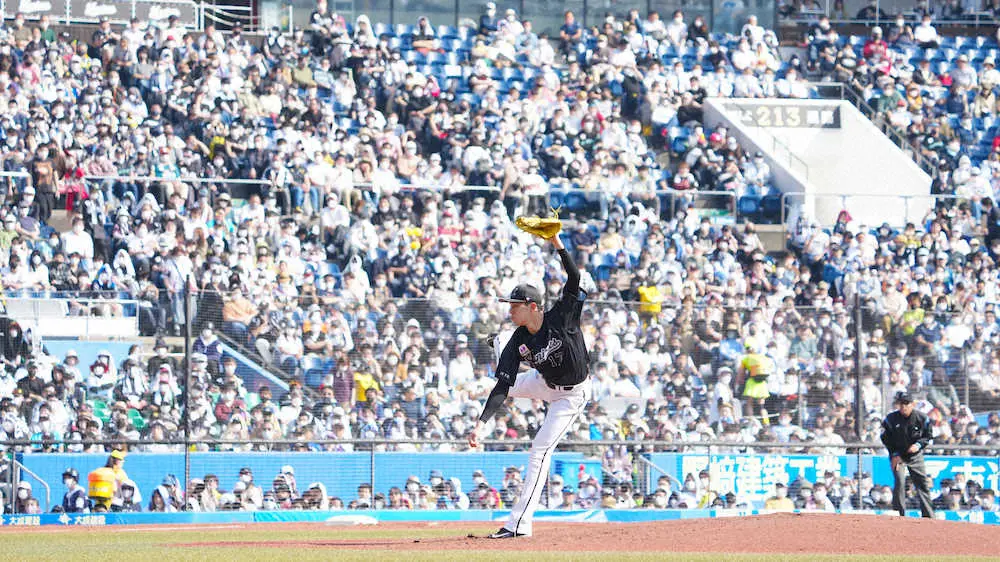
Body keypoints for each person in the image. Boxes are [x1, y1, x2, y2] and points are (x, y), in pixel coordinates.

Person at [469, 234, 591, 538]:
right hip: (542, 382)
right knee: (505, 374)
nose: (509, 311)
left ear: (532, 306)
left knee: (539, 450)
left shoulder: (561, 316)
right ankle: (498, 345)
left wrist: (557, 242)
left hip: (571, 395)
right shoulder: (519, 338)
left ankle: (519, 525)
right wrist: (481, 425)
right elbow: (502, 388)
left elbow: (574, 277)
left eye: (514, 306)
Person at [880, 391, 934, 518]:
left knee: (922, 483)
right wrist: (894, 454)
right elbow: (885, 438)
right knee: (899, 481)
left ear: (913, 404)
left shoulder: (922, 418)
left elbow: (928, 436)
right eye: (901, 404)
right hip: (898, 455)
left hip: (915, 456)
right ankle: (899, 513)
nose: (903, 406)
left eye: (906, 403)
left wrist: (918, 445)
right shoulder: (891, 419)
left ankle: (928, 515)